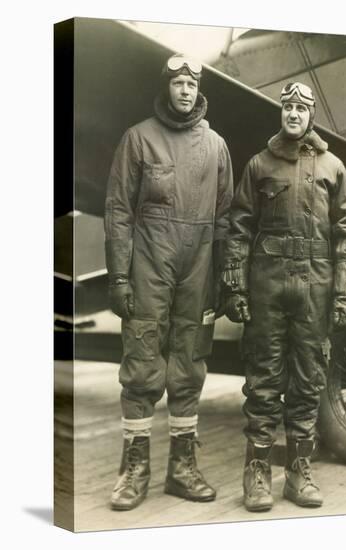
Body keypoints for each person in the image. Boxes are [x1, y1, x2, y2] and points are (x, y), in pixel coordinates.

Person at [222, 82, 346, 511]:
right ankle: (258, 472)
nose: (294, 114)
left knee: (307, 380)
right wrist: (235, 286)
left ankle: (298, 472)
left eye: (302, 108)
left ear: (311, 114)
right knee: (263, 381)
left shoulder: (334, 168)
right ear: (281, 113)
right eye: (288, 108)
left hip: (315, 289)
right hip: (268, 287)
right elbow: (239, 227)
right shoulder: (260, 165)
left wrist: (345, 295)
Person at [104, 54, 233, 511]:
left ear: (199, 90)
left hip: (198, 271)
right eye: (177, 82)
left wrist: (222, 277)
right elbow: (119, 212)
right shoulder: (138, 139)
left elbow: (223, 219)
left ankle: (182, 468)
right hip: (148, 269)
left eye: (190, 84)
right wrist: (120, 275)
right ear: (167, 87)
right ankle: (134, 470)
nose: (184, 90)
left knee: (189, 363)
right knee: (141, 364)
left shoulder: (216, 146)